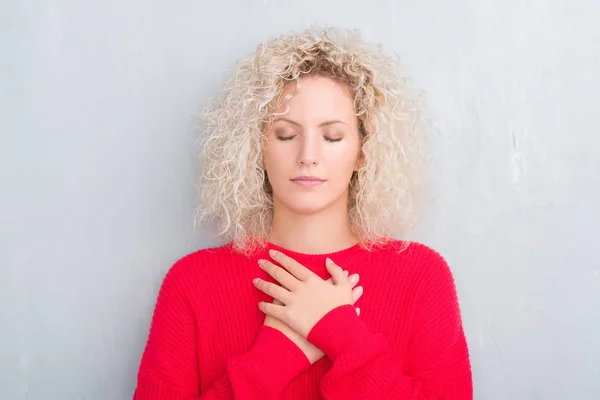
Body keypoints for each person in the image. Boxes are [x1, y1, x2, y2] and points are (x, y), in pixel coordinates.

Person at [133, 26, 472, 400]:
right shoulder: (192, 283)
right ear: (256, 148)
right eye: (284, 134)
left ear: (363, 150)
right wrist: (278, 355)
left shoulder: (422, 276)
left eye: (332, 137)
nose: (308, 155)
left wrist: (342, 334)